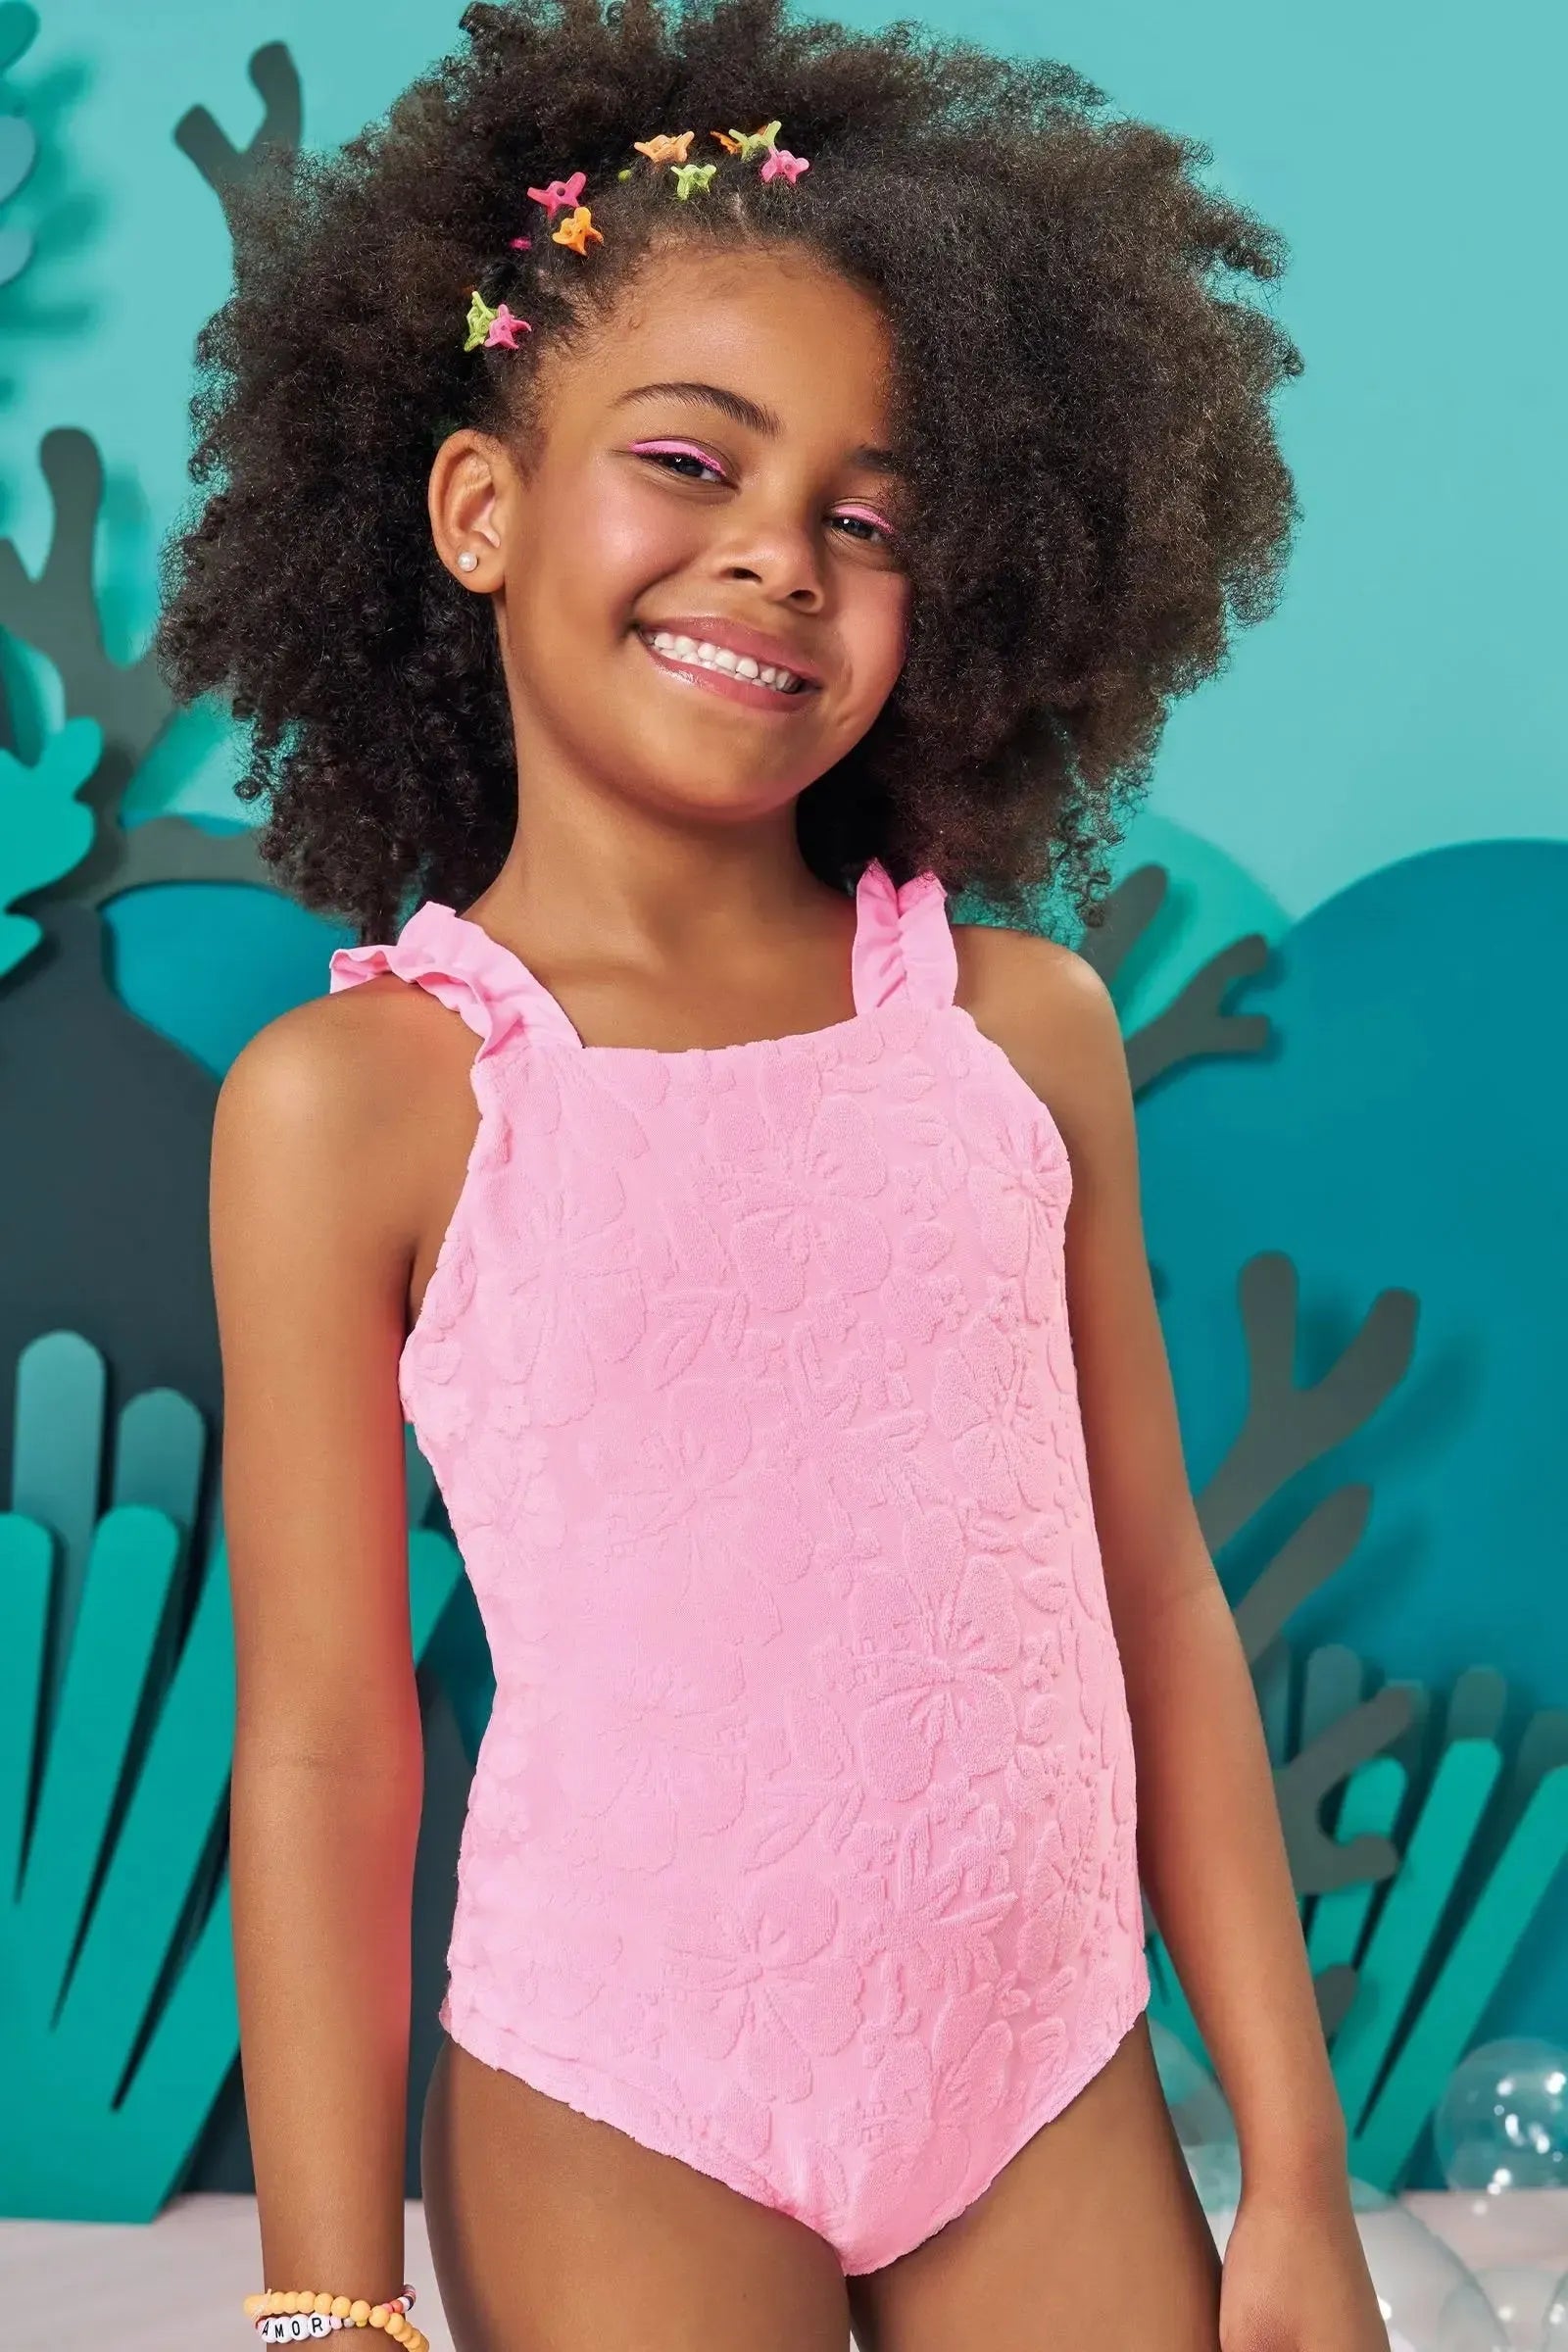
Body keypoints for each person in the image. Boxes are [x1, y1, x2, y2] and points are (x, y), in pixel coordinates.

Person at [155, 1, 1392, 2344]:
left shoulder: (1017, 1033)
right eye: (687, 462)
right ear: (478, 509)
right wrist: (327, 2307)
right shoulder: (365, 1103)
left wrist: (1298, 2173)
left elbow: (1152, 1598)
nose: (777, 559)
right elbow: (323, 1741)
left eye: (863, 519)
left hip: (1040, 2076)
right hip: (619, 2097)